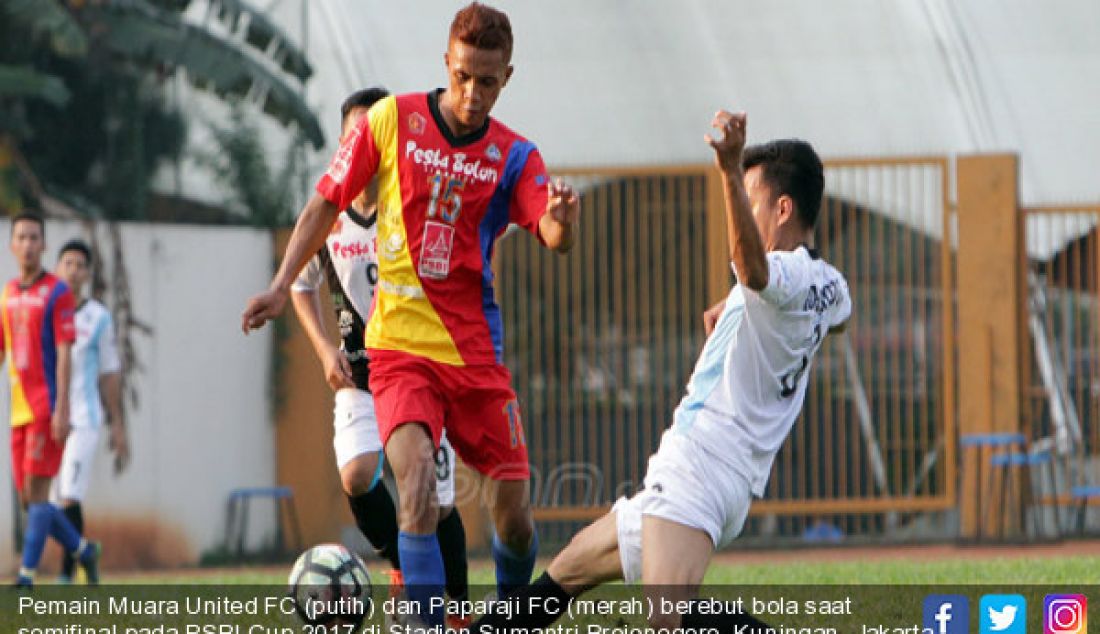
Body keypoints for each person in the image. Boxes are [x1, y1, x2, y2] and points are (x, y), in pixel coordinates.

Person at [242, 2, 580, 625]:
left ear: (508, 77)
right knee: (416, 483)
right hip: (398, 350)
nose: (472, 93)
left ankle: (509, 617)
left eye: (486, 81)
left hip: (475, 355)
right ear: (445, 65)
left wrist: (560, 222)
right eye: (462, 76)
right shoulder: (392, 119)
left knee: (513, 513)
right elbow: (325, 201)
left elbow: (551, 234)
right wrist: (281, 281)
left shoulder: (516, 156)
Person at [474, 113, 851, 633]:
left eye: (749, 196)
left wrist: (726, 168)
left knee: (667, 622)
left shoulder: (778, 274)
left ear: (782, 208)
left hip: (699, 464)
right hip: (723, 476)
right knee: (567, 571)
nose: (741, 205)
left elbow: (754, 267)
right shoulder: (830, 285)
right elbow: (831, 318)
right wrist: (743, 306)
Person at [289, 87, 470, 622]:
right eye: (354, 136)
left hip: (419, 370)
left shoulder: (412, 201)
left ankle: (455, 612)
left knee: (435, 501)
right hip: (359, 373)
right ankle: (401, 562)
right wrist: (325, 350)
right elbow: (301, 287)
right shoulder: (329, 212)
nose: (363, 145)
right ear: (344, 144)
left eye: (374, 134)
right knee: (356, 475)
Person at [2, 212, 100, 587]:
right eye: (21, 237)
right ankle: (84, 551)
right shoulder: (8, 293)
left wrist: (61, 410)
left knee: (40, 493)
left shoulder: (57, 293)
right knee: (32, 500)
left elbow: (63, 353)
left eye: (34, 238)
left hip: (45, 408)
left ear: (43, 245)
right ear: (12, 245)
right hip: (18, 413)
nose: (27, 245)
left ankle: (26, 576)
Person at [51, 239, 127, 583]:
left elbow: (109, 373)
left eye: (80, 265)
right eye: (67, 263)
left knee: (69, 494)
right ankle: (85, 552)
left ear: (87, 273)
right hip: (49, 420)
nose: (73, 270)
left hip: (84, 419)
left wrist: (118, 424)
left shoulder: (98, 318)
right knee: (48, 503)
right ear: (57, 268)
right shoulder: (46, 311)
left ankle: (67, 574)